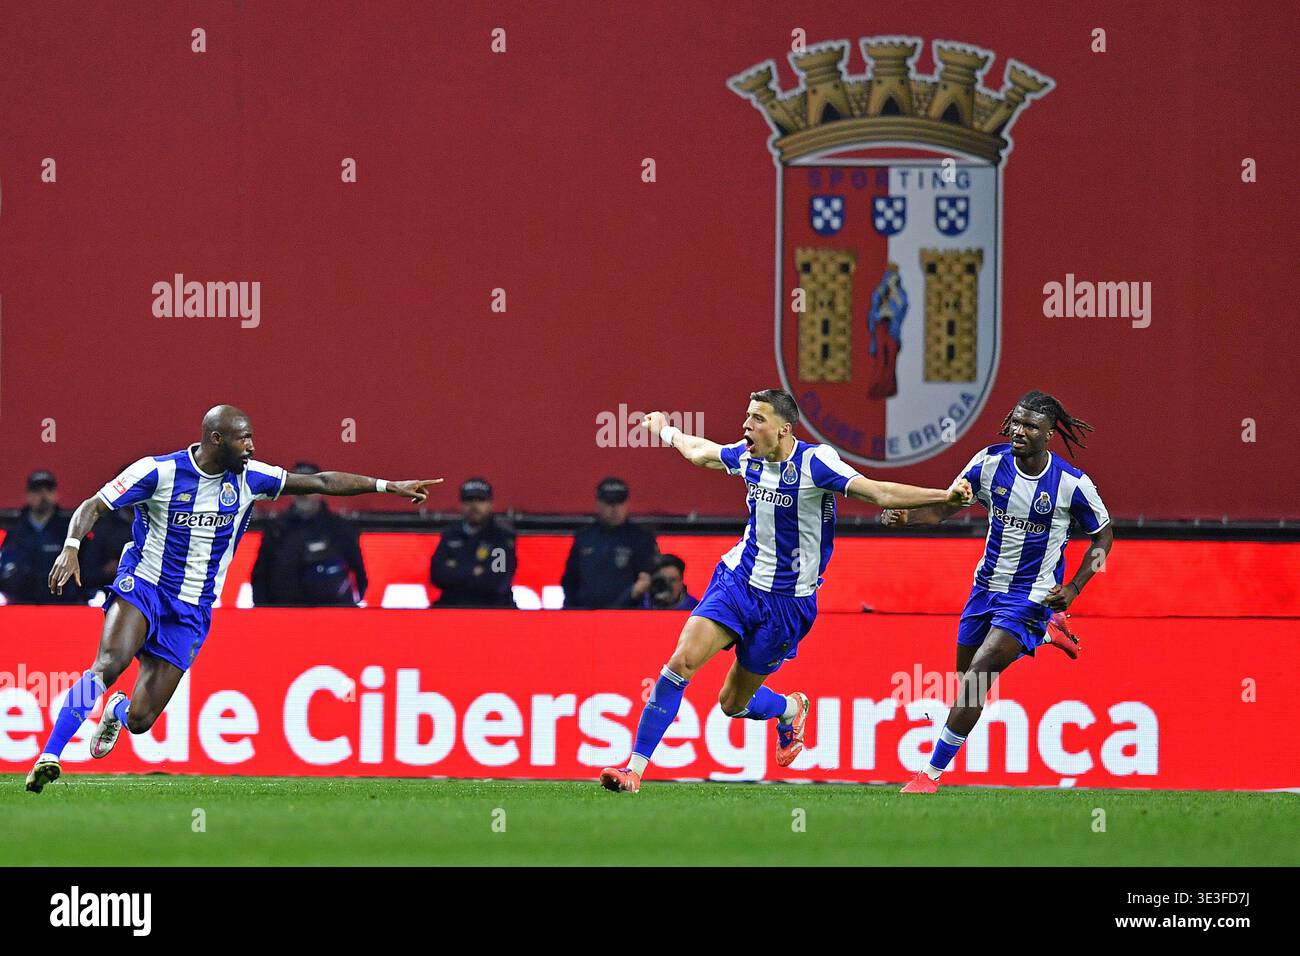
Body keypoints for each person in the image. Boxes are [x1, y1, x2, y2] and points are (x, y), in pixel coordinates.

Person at [25, 404, 439, 793]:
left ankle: (114, 712)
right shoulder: (157, 472)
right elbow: (93, 504)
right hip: (144, 585)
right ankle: (50, 753)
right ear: (216, 439)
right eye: (244, 439)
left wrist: (389, 486)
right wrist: (71, 546)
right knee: (107, 665)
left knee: (140, 719)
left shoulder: (251, 477)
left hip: (191, 608)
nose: (252, 447)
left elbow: (321, 482)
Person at [599, 389, 972, 793]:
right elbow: (699, 452)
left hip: (788, 606)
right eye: (747, 416)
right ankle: (633, 770)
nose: (746, 425)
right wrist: (666, 431)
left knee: (732, 704)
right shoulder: (746, 457)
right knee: (679, 664)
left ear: (783, 430)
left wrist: (944, 495)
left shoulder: (817, 463)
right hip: (737, 583)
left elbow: (877, 491)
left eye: (757, 419)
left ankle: (791, 708)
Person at [882, 390, 1114, 794]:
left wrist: (1075, 588)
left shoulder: (1071, 484)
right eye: (1016, 422)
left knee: (978, 675)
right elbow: (944, 508)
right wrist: (907, 517)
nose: (1018, 431)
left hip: (1031, 596)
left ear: (1049, 435)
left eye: (1030, 426)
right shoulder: (988, 463)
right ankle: (1046, 632)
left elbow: (1103, 537)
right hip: (984, 588)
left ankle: (930, 775)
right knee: (963, 677)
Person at [250, 461, 368, 606]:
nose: (302, 493)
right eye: (297, 486)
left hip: (331, 615)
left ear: (322, 491)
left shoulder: (339, 529)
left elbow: (359, 574)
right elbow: (260, 576)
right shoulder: (276, 530)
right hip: (285, 615)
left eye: (308, 487)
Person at [560, 477, 658, 609]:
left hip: (626, 615)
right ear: (598, 503)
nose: (615, 508)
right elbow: (570, 580)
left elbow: (649, 579)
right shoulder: (585, 537)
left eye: (620, 502)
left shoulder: (640, 538)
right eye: (609, 502)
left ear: (627, 503)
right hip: (585, 614)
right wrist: (571, 610)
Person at [429, 477, 517, 608]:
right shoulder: (450, 536)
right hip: (453, 608)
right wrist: (473, 571)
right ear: (460, 505)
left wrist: (456, 569)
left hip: (492, 609)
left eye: (480, 500)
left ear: (490, 504)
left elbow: (497, 581)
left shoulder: (501, 539)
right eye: (468, 500)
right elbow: (437, 575)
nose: (474, 506)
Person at [0, 471, 82, 604]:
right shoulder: (13, 530)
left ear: (56, 495)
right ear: (27, 496)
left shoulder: (70, 529)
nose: (43, 496)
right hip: (20, 603)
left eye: (48, 490)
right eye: (37, 491)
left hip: (63, 603)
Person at [633, 553, 698, 610]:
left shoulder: (696, 610)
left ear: (681, 583)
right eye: (662, 580)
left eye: (672, 580)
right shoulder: (639, 604)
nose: (666, 585)